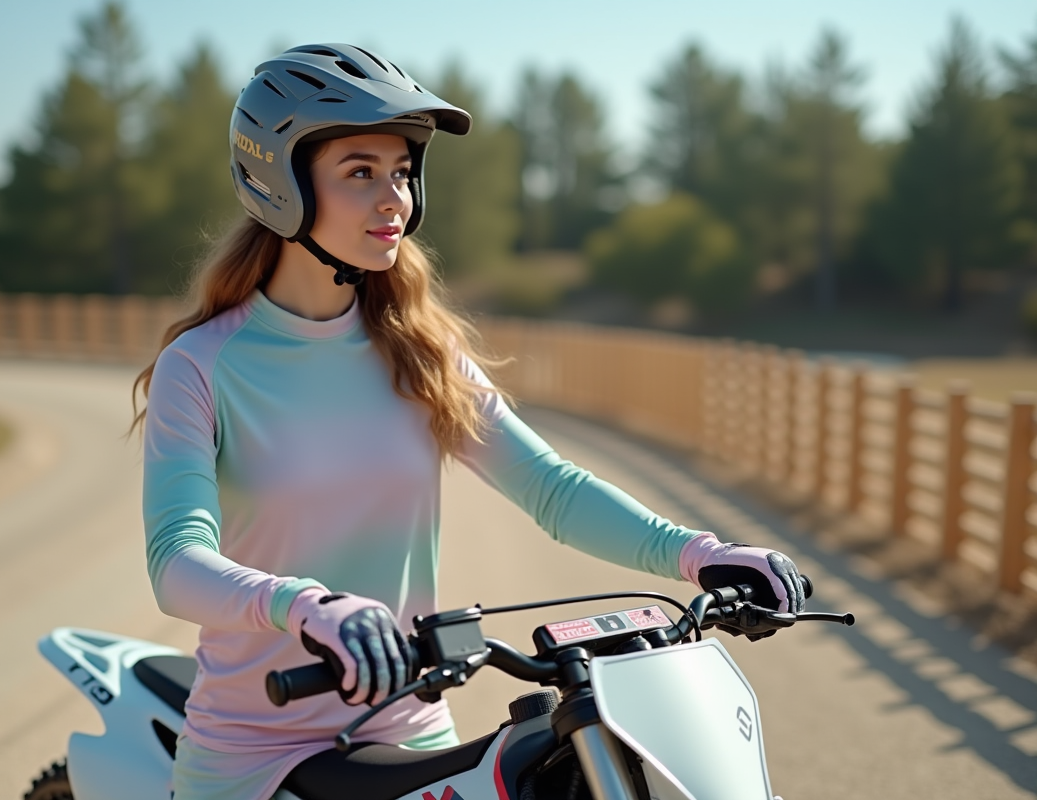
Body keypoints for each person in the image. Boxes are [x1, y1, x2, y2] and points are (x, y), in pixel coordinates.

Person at [133, 43, 805, 800]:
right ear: (279, 182)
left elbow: (550, 489)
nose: (394, 198)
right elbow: (177, 560)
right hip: (252, 747)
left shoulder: (422, 349)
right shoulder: (203, 365)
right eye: (361, 172)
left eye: (402, 172)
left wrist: (699, 555)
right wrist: (307, 606)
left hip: (408, 723)